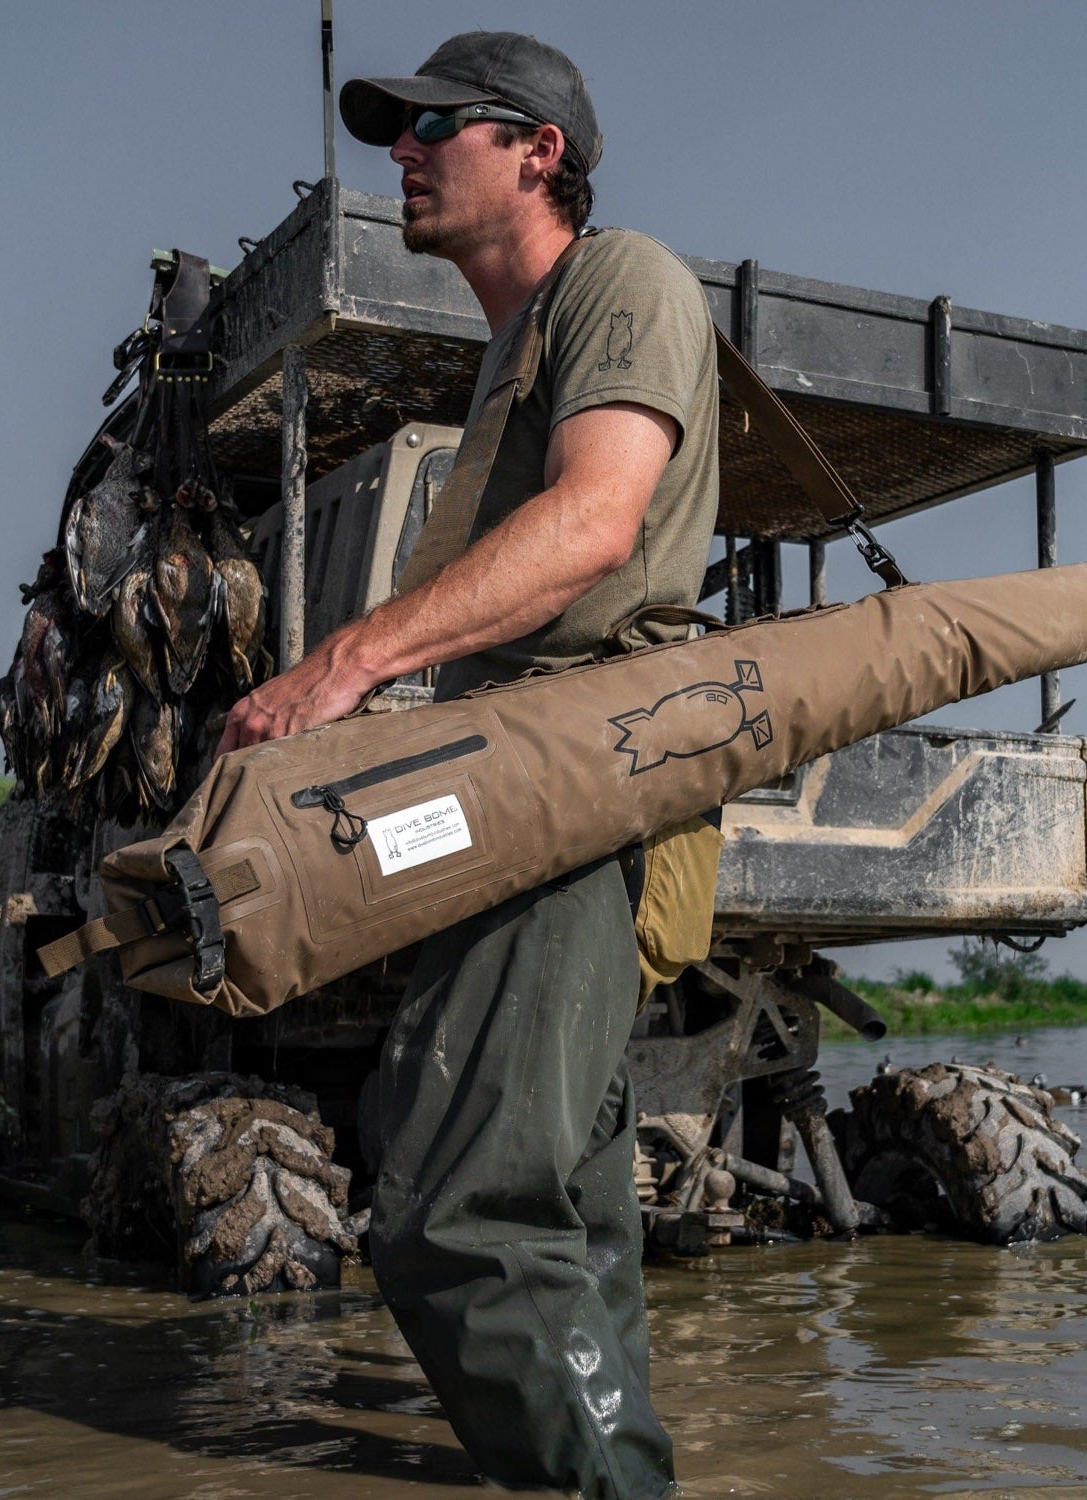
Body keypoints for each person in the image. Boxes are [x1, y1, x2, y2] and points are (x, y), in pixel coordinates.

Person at [218, 31, 719, 1498]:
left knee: (453, 1208)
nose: (404, 150)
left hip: (569, 783)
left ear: (540, 149)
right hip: (528, 783)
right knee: (561, 1201)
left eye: (438, 125)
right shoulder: (514, 343)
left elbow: (595, 526)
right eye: (399, 128)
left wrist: (342, 664)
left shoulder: (621, 279)